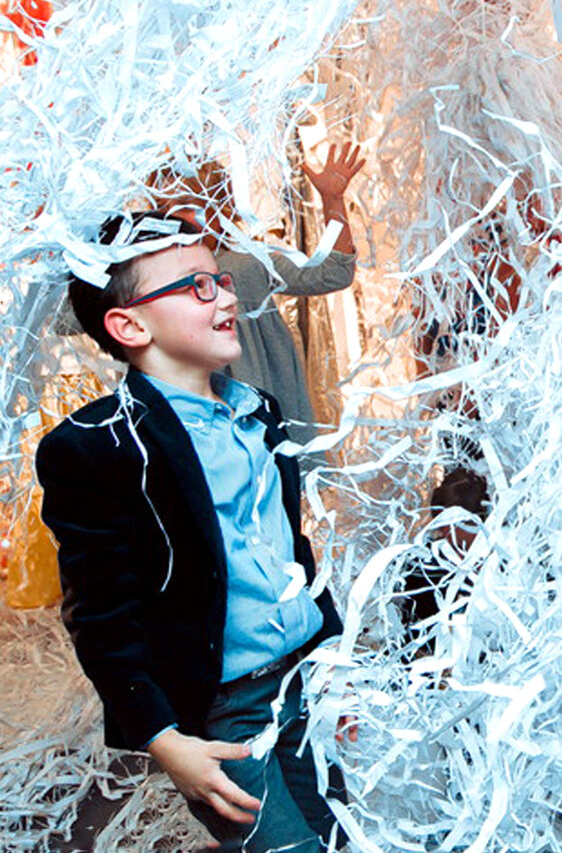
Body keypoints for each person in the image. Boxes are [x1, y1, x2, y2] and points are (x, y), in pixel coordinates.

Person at [36, 211, 352, 851]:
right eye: (197, 286)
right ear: (130, 325)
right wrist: (164, 740)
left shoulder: (257, 411)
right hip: (223, 711)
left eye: (221, 280)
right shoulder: (98, 446)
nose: (227, 295)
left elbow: (284, 549)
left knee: (340, 833)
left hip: (300, 682)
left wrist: (329, 656)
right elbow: (101, 616)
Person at [152, 144, 365, 453]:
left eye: (186, 205)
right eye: (161, 206)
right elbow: (70, 321)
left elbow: (333, 274)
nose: (171, 217)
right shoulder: (154, 271)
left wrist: (332, 200)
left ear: (223, 205)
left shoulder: (250, 261)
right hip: (190, 415)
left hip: (258, 417)